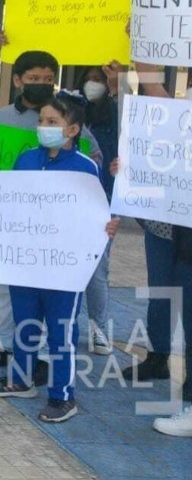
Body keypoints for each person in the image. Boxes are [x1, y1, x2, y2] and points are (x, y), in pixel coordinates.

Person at [0, 93, 119, 424]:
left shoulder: (86, 167)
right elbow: (8, 200)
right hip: (26, 260)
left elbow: (95, 212)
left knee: (61, 330)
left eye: (52, 122)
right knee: (25, 321)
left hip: (63, 269)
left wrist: (108, 224)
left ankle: (62, 396)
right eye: (41, 120)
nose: (44, 127)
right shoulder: (26, 159)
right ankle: (20, 379)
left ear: (72, 130)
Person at [0, 50, 102, 370]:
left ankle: (39, 353)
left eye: (47, 79)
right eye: (33, 79)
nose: (41, 84)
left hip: (53, 226)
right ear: (17, 81)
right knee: (2, 284)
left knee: (43, 289)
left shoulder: (66, 116)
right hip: (11, 219)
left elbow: (92, 155)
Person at [115, 61, 192, 437]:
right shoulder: (180, 115)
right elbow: (158, 109)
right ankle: (158, 356)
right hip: (166, 225)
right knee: (162, 292)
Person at [77, 64, 122, 354]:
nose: (94, 84)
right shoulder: (73, 110)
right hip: (70, 197)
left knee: (96, 271)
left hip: (104, 198)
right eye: (90, 79)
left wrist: (118, 83)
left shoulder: (117, 114)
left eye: (100, 80)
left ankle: (100, 330)